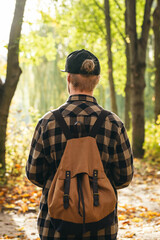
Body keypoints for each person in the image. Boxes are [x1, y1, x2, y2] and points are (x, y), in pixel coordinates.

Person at [26, 49, 134, 240]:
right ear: (97, 80)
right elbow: (124, 177)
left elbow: (34, 174)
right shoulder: (114, 123)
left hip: (55, 225)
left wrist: (62, 181)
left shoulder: (48, 122)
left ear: (68, 78)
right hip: (102, 226)